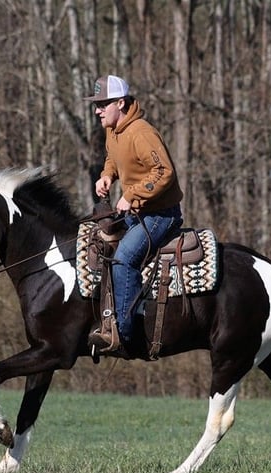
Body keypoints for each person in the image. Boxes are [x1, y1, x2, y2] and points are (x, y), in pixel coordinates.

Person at [84, 74, 184, 355]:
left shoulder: (141, 132)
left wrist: (131, 194)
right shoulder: (113, 129)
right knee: (98, 241)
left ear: (121, 103)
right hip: (138, 212)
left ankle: (125, 335)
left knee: (123, 259)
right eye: (96, 105)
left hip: (160, 215)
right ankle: (104, 319)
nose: (97, 110)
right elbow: (112, 157)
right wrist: (107, 176)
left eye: (103, 104)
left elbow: (164, 172)